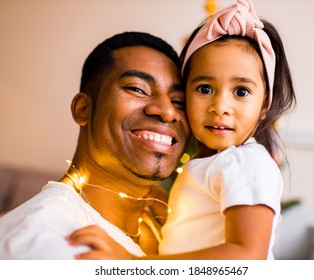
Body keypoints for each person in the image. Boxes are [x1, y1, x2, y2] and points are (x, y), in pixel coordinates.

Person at [68, 0, 296, 260]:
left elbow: (247, 255)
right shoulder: (208, 164)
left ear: (265, 105)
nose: (220, 106)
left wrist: (132, 264)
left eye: (241, 92)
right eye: (204, 89)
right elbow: (197, 229)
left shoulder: (247, 162)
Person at [0, 31, 191, 259]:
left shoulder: (176, 223)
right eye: (137, 89)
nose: (168, 112)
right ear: (83, 109)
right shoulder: (40, 240)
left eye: (178, 101)